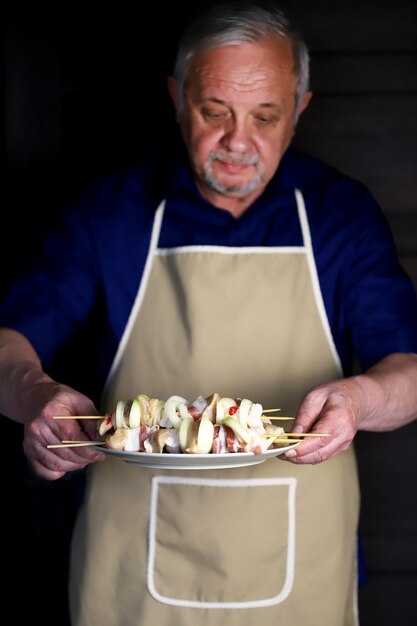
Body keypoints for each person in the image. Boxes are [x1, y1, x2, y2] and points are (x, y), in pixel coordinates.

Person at [1, 2, 417, 625]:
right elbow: (10, 342)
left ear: (300, 109)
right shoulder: (113, 212)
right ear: (177, 98)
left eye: (266, 116)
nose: (236, 143)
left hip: (301, 559)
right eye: (213, 112)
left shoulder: (338, 215)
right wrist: (36, 398)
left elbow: (410, 372)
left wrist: (360, 401)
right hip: (132, 565)